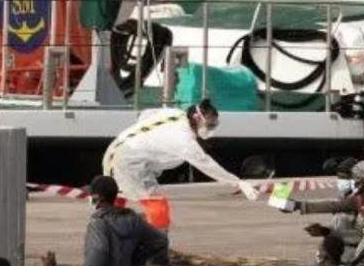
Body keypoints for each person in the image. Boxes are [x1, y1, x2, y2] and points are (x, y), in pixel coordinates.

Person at [101, 99, 262, 231]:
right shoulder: (184, 141)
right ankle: (156, 252)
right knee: (156, 204)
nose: (211, 130)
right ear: (198, 119)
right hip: (128, 161)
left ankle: (109, 237)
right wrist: (238, 182)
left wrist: (148, 140)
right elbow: (208, 165)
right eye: (210, 125)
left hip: (119, 150)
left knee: (117, 198)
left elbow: (145, 114)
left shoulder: (175, 113)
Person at [290, 158, 361, 244]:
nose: (341, 181)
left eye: (345, 178)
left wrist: (298, 205)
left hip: (358, 247)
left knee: (341, 218)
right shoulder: (345, 195)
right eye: (339, 178)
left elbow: (332, 205)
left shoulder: (360, 197)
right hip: (347, 241)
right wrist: (324, 230)